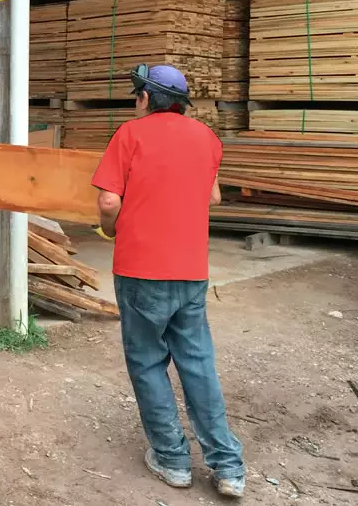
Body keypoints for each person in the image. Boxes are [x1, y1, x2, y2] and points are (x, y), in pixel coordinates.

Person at [91, 63, 245, 499]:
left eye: (136, 94)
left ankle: (173, 460)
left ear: (145, 98)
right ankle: (228, 466)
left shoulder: (130, 135)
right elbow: (213, 195)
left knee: (146, 361)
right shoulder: (207, 138)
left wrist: (110, 227)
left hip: (141, 269)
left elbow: (107, 200)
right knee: (197, 362)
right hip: (191, 269)